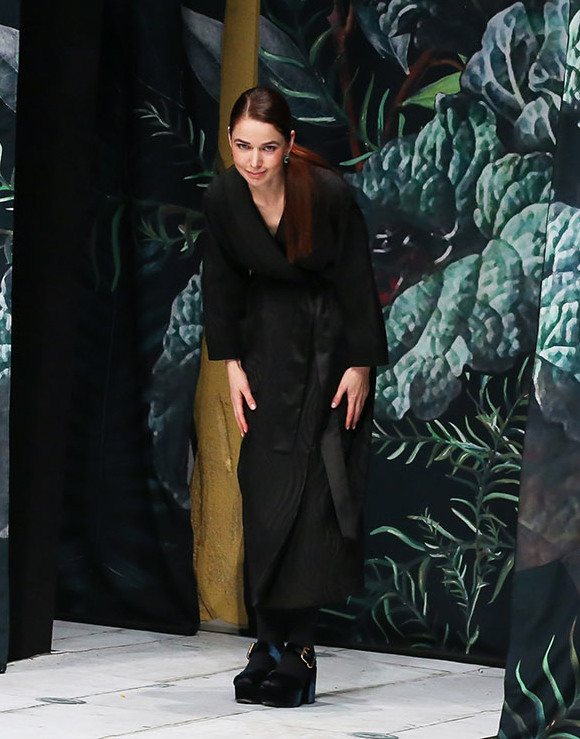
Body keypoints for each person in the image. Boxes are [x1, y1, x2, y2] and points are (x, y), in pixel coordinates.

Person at [199, 86, 389, 708]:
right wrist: (231, 365)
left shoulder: (325, 193)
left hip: (330, 347)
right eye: (242, 146)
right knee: (265, 490)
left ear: (289, 145)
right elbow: (221, 283)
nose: (254, 161)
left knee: (314, 496)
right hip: (265, 347)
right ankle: (265, 642)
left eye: (268, 147)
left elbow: (357, 277)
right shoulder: (223, 197)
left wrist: (360, 364)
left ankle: (299, 651)